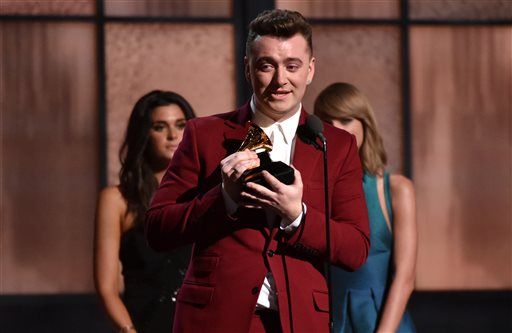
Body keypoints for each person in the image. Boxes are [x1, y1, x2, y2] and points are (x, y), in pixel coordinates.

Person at [145, 10, 370, 333]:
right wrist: (224, 199)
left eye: (292, 66)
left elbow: (356, 249)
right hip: (215, 320)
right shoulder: (203, 134)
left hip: (300, 322)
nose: (281, 80)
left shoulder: (337, 145)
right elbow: (157, 229)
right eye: (267, 66)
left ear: (310, 70)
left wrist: (297, 216)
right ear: (248, 69)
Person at [314, 82, 417, 333]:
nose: (337, 129)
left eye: (346, 120)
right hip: (327, 320)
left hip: (382, 323)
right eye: (328, 122)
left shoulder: (395, 189)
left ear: (364, 124)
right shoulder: (311, 189)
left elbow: (405, 278)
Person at [94, 90, 196, 333]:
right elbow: (106, 287)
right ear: (144, 134)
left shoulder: (206, 192)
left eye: (181, 125)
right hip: (143, 323)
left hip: (199, 322)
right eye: (159, 127)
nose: (173, 135)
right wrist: (128, 330)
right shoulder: (116, 200)